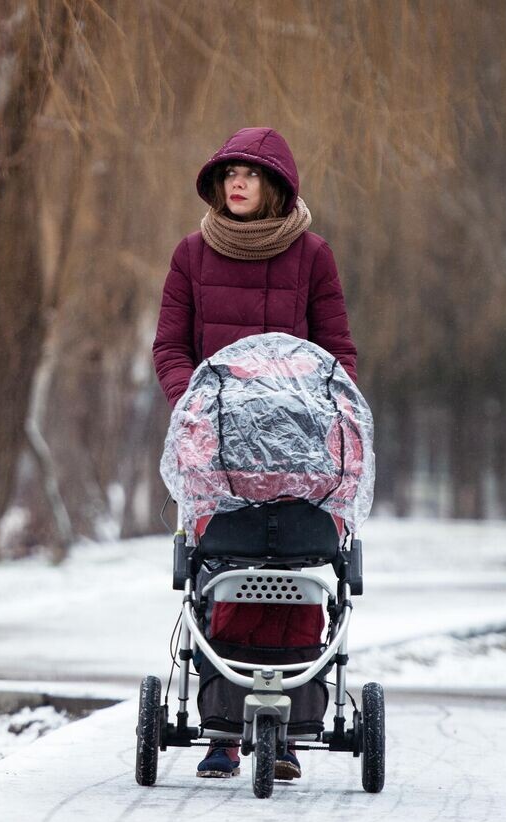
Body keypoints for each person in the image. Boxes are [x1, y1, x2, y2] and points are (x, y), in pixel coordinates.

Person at [152, 127, 358, 780]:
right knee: (224, 564)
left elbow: (337, 352)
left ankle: (291, 726)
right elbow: (170, 346)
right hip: (216, 444)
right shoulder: (191, 255)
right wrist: (196, 407)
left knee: (294, 565)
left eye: (250, 174)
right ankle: (221, 729)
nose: (236, 184)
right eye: (228, 174)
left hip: (297, 442)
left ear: (276, 186)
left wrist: (327, 414)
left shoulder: (313, 257)